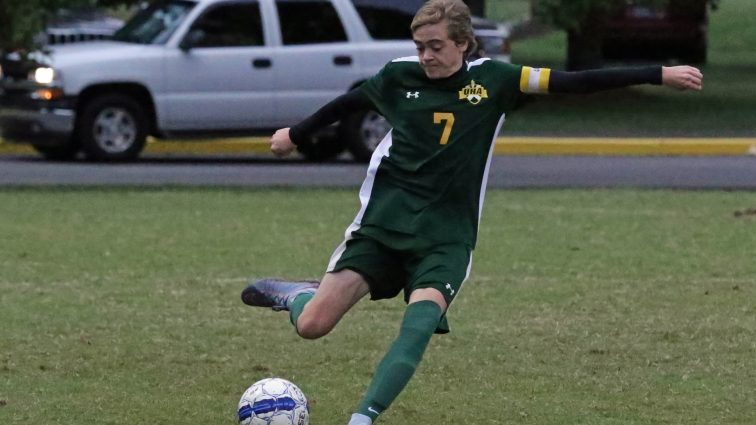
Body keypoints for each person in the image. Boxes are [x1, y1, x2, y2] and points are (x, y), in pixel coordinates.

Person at [241, 1, 703, 423]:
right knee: (313, 326)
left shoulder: (498, 80)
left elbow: (574, 82)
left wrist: (657, 73)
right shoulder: (398, 77)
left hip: (446, 234)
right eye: (420, 47)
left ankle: (363, 418)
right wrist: (295, 134)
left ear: (463, 43)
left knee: (419, 324)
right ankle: (296, 295)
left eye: (436, 46)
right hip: (385, 224)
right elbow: (350, 102)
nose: (426, 56)